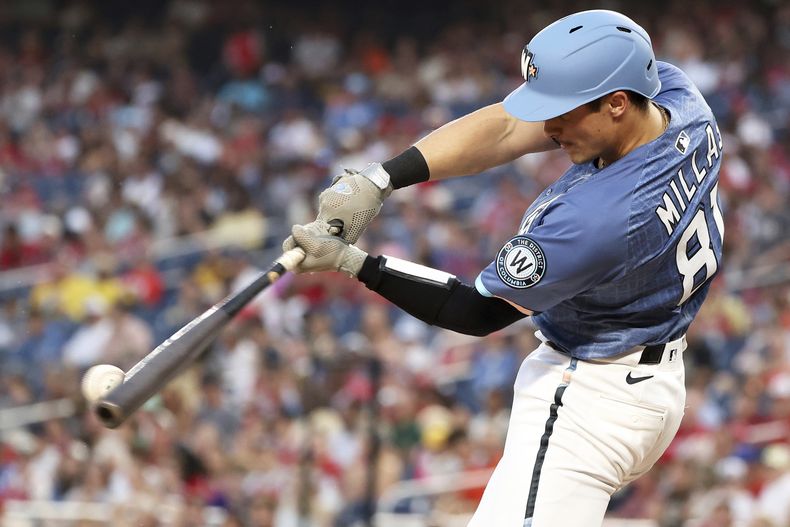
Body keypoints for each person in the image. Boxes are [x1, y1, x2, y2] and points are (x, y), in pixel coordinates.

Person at [284, 9, 724, 526]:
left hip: (590, 399)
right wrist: (381, 178)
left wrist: (353, 263)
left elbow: (474, 312)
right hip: (649, 376)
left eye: (563, 111)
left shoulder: (598, 220)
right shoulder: (679, 100)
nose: (550, 126)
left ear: (617, 104)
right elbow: (510, 125)